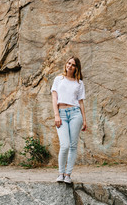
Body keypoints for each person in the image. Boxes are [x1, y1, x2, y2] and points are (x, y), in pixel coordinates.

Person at [51, 56, 87, 184]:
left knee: (72, 146)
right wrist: (56, 115)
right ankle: (60, 173)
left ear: (76, 68)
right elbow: (54, 98)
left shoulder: (79, 83)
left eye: (73, 64)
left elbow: (81, 102)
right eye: (68, 63)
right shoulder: (58, 79)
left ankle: (68, 175)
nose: (69, 66)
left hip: (75, 114)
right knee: (64, 145)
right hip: (61, 113)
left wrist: (84, 119)